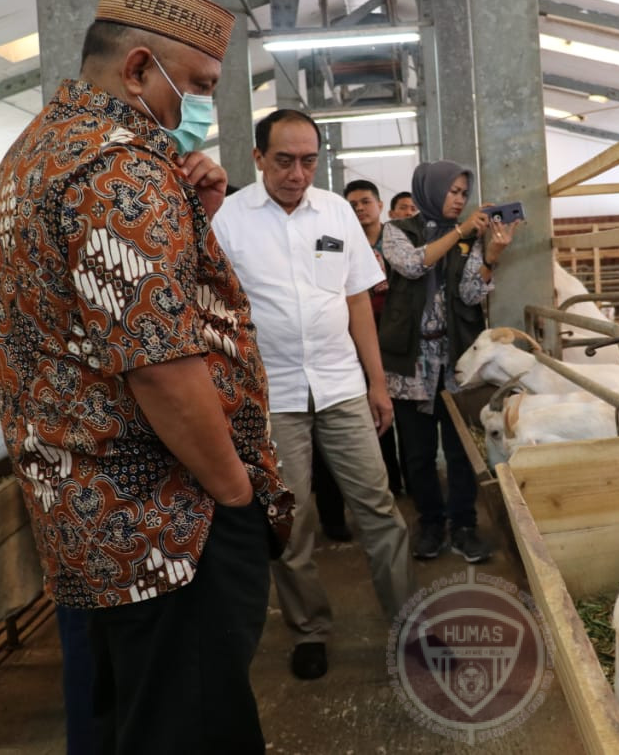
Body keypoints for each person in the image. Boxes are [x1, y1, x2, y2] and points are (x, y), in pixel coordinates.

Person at [0, 0, 293, 755]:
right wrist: (235, 491)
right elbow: (157, 364)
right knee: (192, 722)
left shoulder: (36, 151)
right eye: (193, 85)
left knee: (125, 716)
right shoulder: (119, 168)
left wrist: (194, 215)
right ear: (138, 68)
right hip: (167, 522)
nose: (193, 108)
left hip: (89, 518)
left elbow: (94, 315)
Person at [210, 110, 414, 681]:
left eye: (308, 161)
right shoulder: (228, 220)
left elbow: (356, 302)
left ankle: (406, 624)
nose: (297, 174)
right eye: (283, 161)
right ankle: (309, 629)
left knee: (380, 512)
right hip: (272, 397)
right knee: (289, 521)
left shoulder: (339, 213)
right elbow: (220, 314)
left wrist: (377, 384)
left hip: (341, 385)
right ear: (257, 158)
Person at [378, 161, 519, 562]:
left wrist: (492, 253)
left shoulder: (470, 239)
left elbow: (472, 294)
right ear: (431, 190)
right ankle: (430, 524)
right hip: (410, 363)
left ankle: (464, 526)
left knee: (460, 450)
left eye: (463, 193)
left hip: (454, 358)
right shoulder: (398, 231)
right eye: (452, 191)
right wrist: (460, 231)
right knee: (418, 453)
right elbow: (411, 264)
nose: (459, 200)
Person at [345, 179, 408, 497]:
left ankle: (413, 483)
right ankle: (390, 483)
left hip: (401, 337)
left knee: (407, 413)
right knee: (376, 409)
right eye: (353, 204)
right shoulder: (346, 244)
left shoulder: (399, 240)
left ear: (380, 206)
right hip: (363, 339)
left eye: (365, 202)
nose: (360, 209)